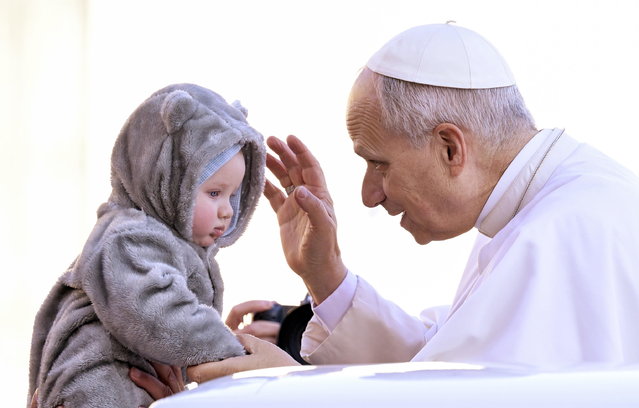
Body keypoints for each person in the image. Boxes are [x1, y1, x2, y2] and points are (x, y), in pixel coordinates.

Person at [176, 22, 639, 385]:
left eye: (379, 163)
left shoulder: (562, 233)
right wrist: (326, 274)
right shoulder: (538, 208)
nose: (368, 195)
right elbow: (437, 364)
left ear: (450, 148)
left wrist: (285, 384)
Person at [27, 83, 266, 408]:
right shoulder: (129, 236)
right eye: (214, 193)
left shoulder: (172, 246)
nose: (227, 209)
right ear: (165, 179)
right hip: (97, 382)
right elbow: (160, 313)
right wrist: (236, 353)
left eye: (232, 195)